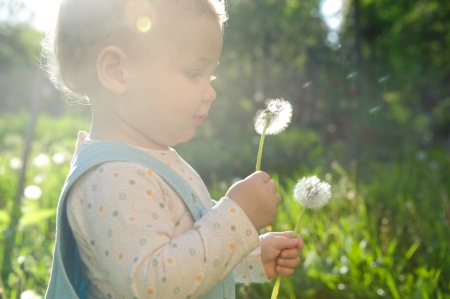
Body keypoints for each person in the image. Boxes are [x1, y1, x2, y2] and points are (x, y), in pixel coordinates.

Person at [43, 0, 304, 298]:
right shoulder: (112, 178)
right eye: (194, 74)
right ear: (117, 72)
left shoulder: (148, 162)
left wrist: (250, 256)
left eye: (211, 76)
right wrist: (236, 219)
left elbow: (183, 253)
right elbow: (154, 284)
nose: (211, 92)